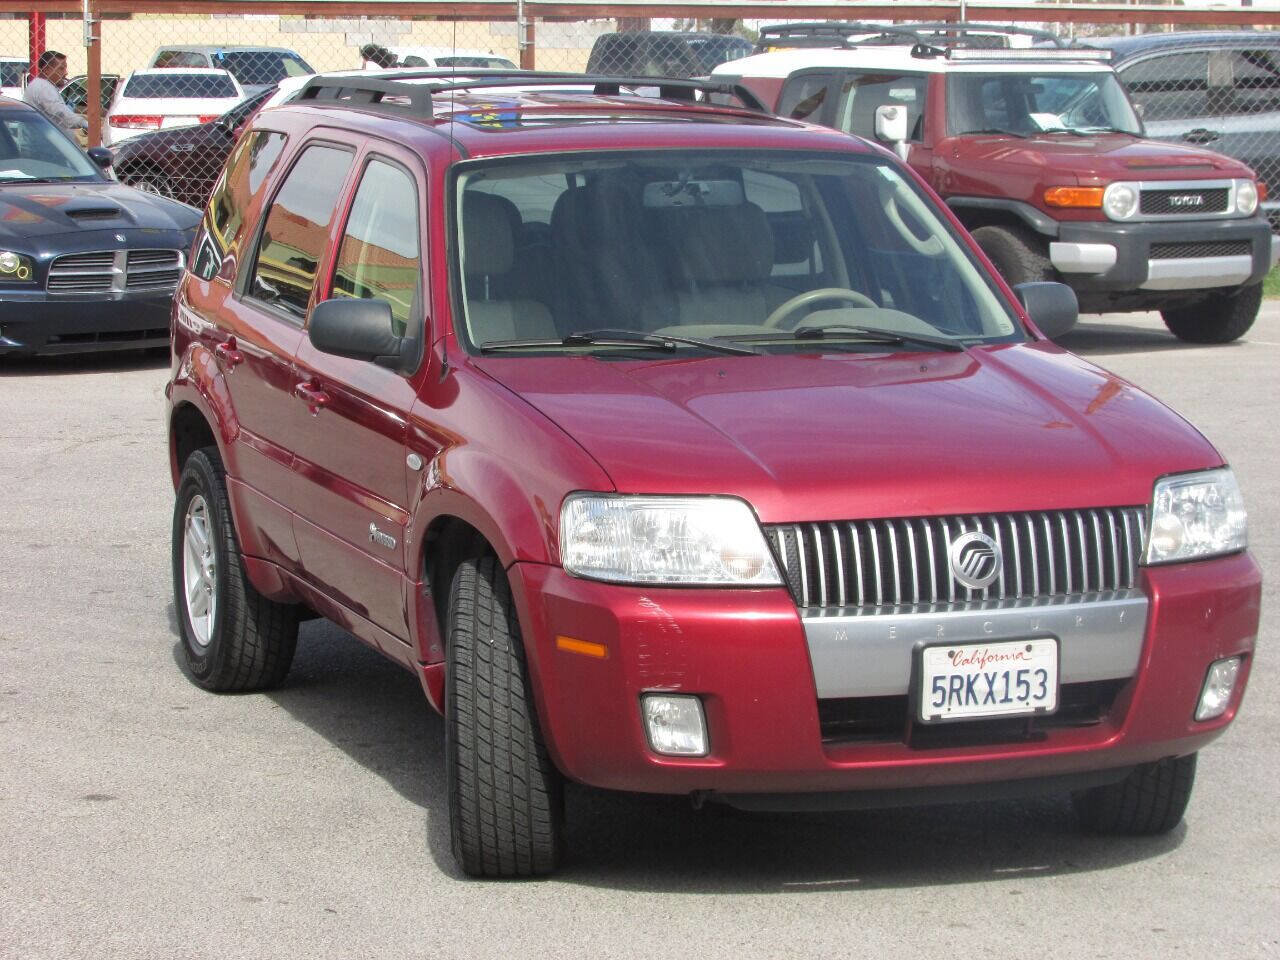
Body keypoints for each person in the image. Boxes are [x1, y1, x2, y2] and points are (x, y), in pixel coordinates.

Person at [23, 50, 88, 136]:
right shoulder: (44, 87)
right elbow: (61, 114)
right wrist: (85, 123)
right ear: (46, 70)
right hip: (43, 145)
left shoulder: (40, 85)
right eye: (61, 68)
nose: (66, 73)